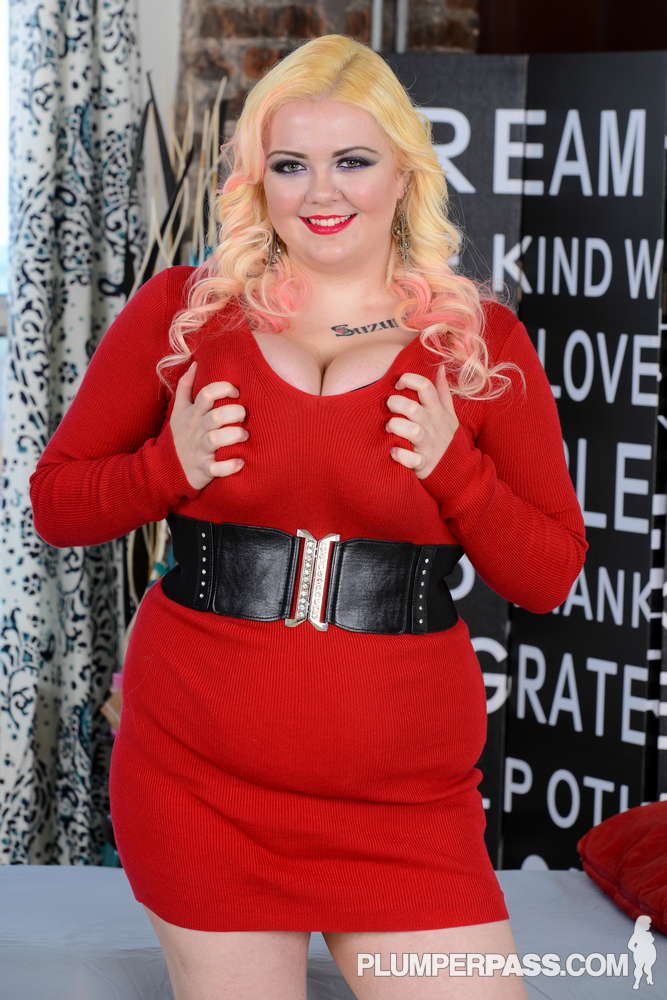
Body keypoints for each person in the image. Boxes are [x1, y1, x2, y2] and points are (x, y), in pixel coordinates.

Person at [30, 32, 588, 1000]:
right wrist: (169, 466)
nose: (320, 192)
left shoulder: (478, 342)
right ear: (259, 178)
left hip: (404, 802)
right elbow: (57, 504)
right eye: (290, 164)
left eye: (351, 161)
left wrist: (454, 470)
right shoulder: (184, 315)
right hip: (198, 782)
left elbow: (548, 573)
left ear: (403, 173)